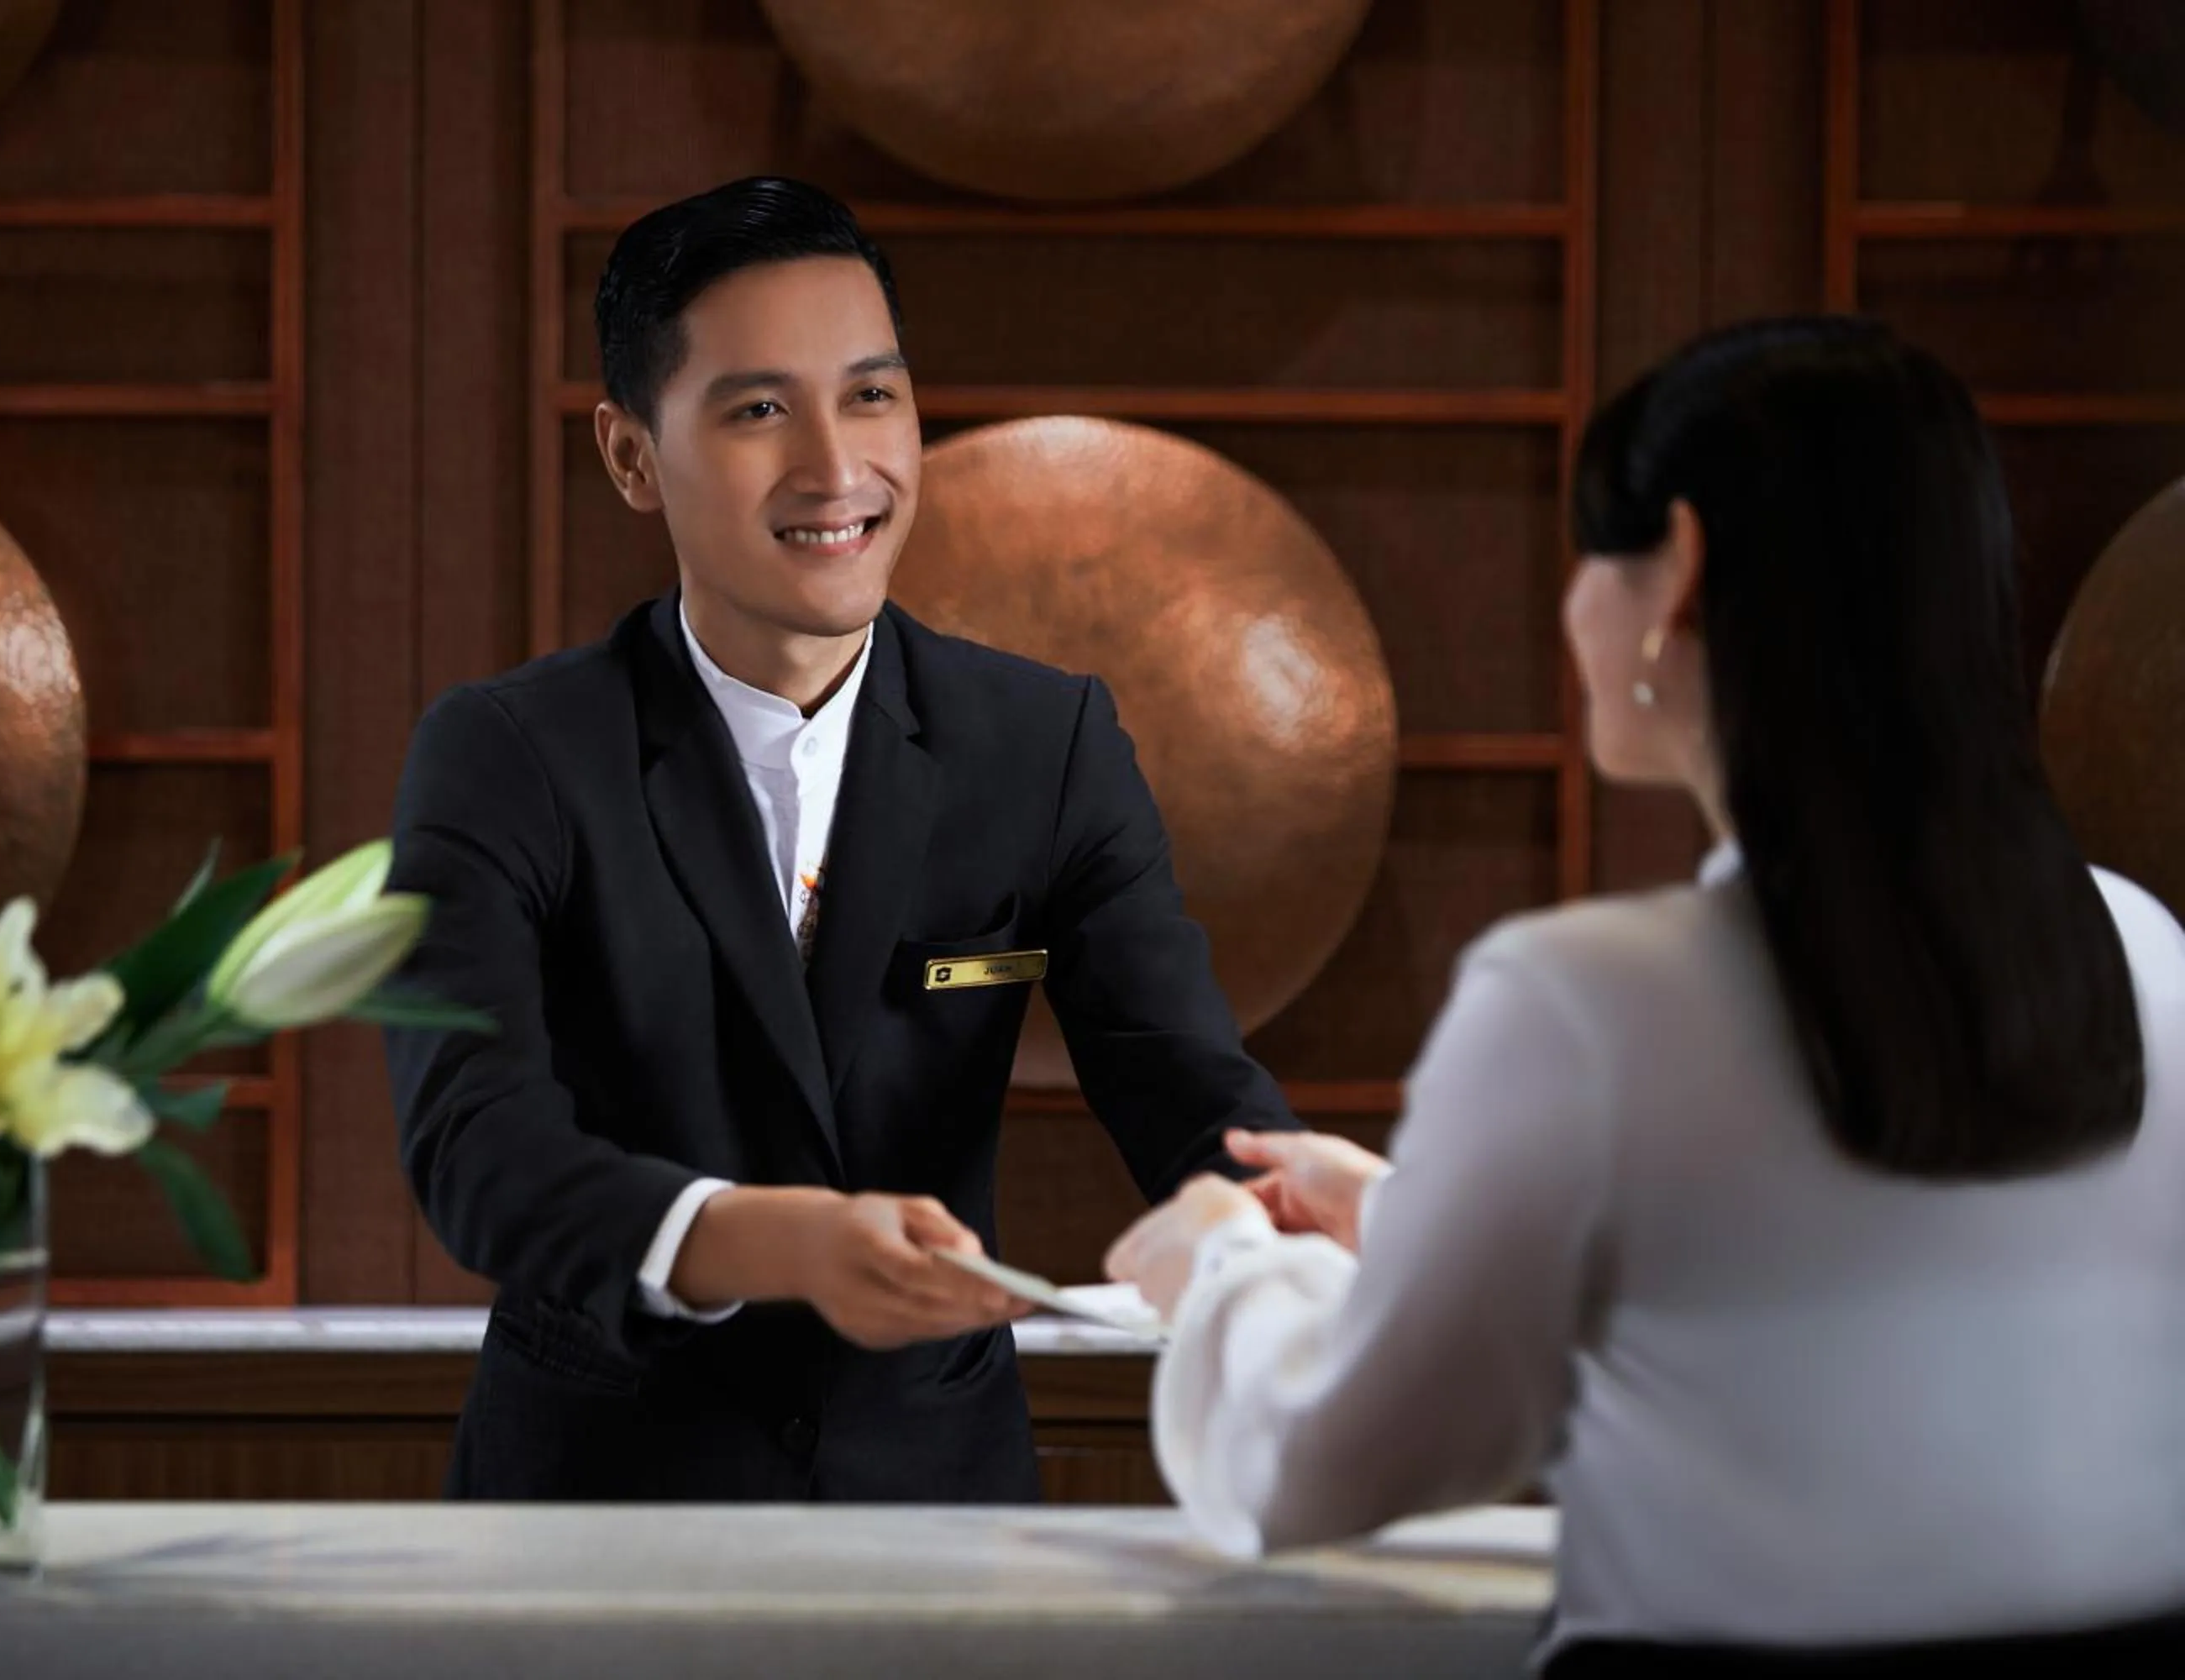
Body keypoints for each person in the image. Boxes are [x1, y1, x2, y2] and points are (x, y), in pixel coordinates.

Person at [1105, 318, 2185, 1673]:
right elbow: (1805, 1285)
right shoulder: (2144, 953)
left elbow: (1318, 1471)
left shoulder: (1583, 1005)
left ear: (1677, 569)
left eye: (1589, 557)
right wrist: (1404, 1214)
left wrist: (1217, 1262)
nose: (1572, 609)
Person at [382, 176, 1294, 1504]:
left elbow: (1190, 1088)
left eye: (871, 396)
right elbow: (476, 1151)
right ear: (631, 455)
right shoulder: (510, 755)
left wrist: (1253, 1216)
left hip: (941, 1510)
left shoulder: (1043, 747)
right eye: (759, 409)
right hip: (595, 1520)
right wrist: (773, 1243)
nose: (835, 469)